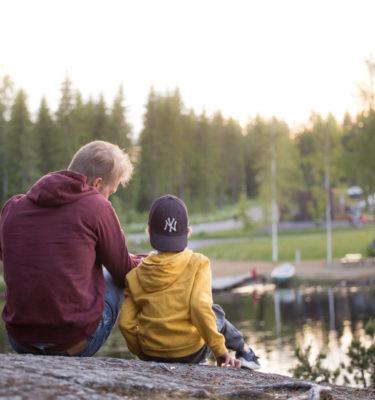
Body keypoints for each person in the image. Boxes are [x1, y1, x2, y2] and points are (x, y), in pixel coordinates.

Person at [0, 140, 141, 356]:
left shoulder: (12, 207)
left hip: (20, 340)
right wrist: (148, 259)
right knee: (112, 278)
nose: (108, 197)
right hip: (73, 344)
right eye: (110, 191)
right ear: (97, 184)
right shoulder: (97, 206)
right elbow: (124, 272)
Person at [119, 194, 260, 369]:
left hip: (151, 353)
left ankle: (245, 350)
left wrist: (142, 352)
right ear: (188, 232)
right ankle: (245, 352)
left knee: (213, 312)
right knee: (216, 313)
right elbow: (199, 307)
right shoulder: (198, 263)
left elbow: (125, 324)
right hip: (190, 353)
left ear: (148, 232)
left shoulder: (135, 275)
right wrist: (220, 351)